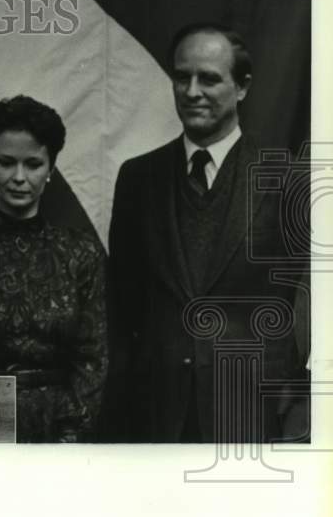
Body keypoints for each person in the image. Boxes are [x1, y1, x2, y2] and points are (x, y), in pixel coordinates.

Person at [104, 23, 307, 442]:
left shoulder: (287, 180)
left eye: (209, 79)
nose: (192, 91)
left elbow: (302, 305)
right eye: (182, 77)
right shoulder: (138, 178)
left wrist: (293, 408)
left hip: (253, 414)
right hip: (154, 414)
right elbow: (123, 307)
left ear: (242, 87)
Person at [0, 96, 107, 442]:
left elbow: (92, 357)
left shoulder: (80, 253)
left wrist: (72, 435)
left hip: (56, 427)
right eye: (6, 163)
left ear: (50, 168)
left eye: (33, 164)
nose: (19, 177)